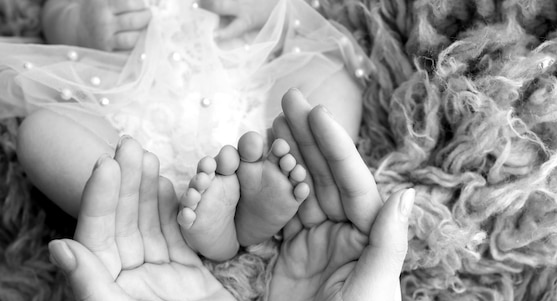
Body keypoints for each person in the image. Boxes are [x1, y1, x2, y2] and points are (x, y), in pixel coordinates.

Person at [48, 90, 414, 301]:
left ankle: (206, 220)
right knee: (318, 102)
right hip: (243, 113)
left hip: (174, 137)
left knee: (49, 132)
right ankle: (222, 225)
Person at [0, 0, 373, 260]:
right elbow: (57, 11)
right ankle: (169, 218)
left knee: (333, 78)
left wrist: (263, 6)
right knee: (40, 135)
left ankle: (282, 189)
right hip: (130, 116)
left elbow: (301, 11)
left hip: (251, 91)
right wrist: (80, 21)